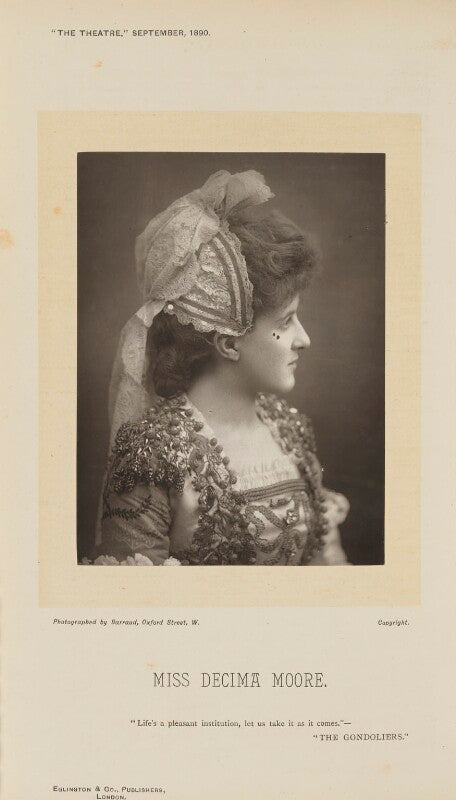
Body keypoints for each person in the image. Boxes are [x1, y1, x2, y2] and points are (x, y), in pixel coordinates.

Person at [92, 170, 349, 566]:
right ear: (229, 343)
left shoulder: (290, 430)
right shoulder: (152, 453)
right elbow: (134, 598)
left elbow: (326, 569)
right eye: (285, 322)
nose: (304, 339)